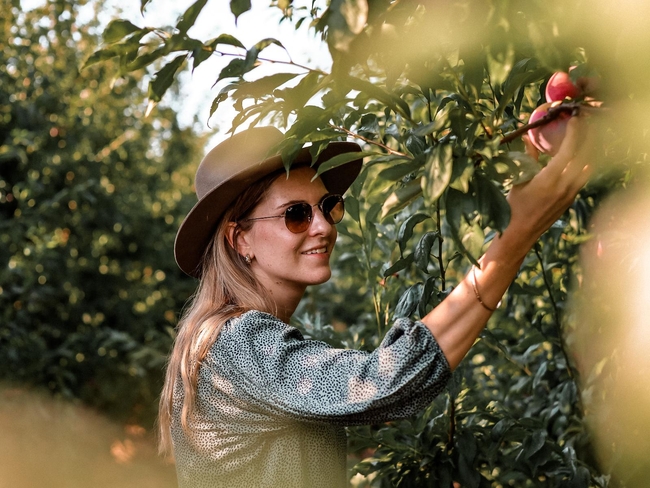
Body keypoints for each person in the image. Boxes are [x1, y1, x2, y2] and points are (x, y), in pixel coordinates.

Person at [158, 122, 592, 487]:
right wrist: (511, 239)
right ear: (240, 239)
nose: (324, 226)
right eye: (296, 214)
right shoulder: (235, 342)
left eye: (328, 207)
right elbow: (377, 384)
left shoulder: (229, 341)